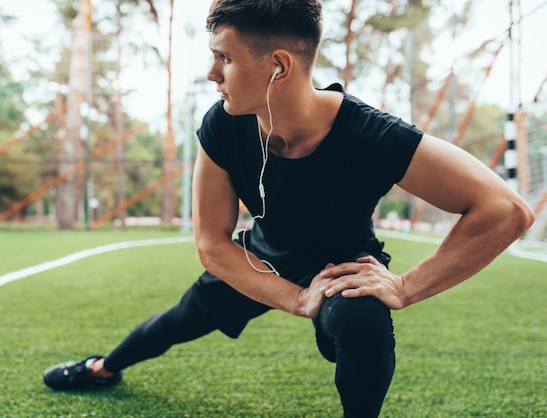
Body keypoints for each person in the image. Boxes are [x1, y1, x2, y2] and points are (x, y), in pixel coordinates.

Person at [43, 1, 535, 416]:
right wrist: (295, 298)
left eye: (224, 59)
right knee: (179, 319)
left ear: (278, 65)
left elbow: (506, 209)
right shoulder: (224, 124)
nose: (212, 74)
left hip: (341, 269)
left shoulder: (371, 135)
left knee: (361, 322)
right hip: (259, 259)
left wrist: (406, 287)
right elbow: (212, 244)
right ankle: (101, 368)